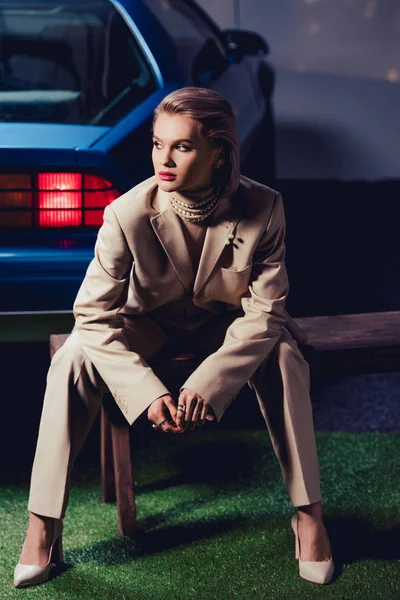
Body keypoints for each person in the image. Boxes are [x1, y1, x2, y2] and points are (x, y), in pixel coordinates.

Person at [14, 87, 334, 588]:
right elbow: (93, 315)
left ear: (219, 153)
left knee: (287, 354)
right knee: (73, 356)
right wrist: (145, 393)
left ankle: (309, 514)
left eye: (181, 147)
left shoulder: (265, 207)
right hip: (148, 328)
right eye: (158, 144)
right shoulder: (126, 213)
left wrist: (212, 382)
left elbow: (266, 309)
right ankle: (42, 523)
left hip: (225, 331)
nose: (164, 159)